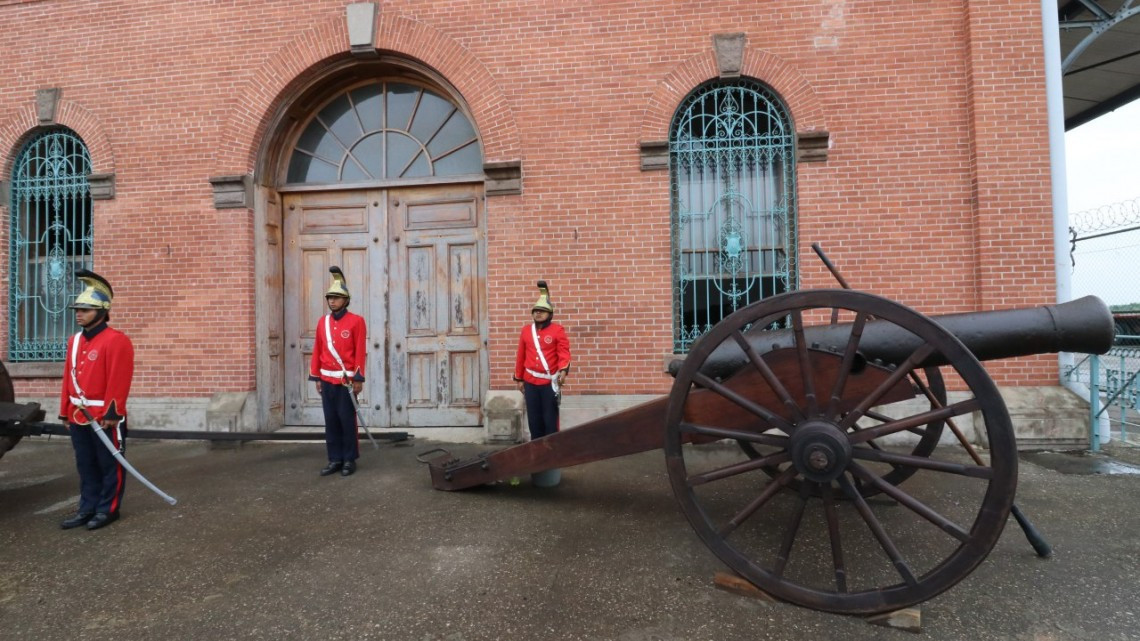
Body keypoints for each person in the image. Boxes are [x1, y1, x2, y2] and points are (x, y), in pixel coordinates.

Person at [58, 269, 135, 531]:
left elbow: (119, 379)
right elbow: (68, 379)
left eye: (86, 309)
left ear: (102, 311)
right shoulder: (74, 341)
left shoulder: (117, 341)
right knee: (86, 464)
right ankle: (87, 507)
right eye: (77, 309)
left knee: (108, 463)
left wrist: (113, 414)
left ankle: (108, 509)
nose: (79, 313)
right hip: (78, 414)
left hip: (104, 417)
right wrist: (64, 412)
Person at [309, 267, 367, 477]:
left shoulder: (356, 321)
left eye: (337, 298)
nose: (332, 301)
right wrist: (316, 376)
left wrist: (358, 377)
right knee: (331, 421)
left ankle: (349, 459)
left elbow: (360, 350)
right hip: (326, 380)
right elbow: (318, 349)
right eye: (330, 298)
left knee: (346, 421)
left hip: (346, 382)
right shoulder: (322, 323)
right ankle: (334, 459)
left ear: (346, 300)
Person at [513, 281, 571, 440]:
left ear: (550, 313)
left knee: (550, 421)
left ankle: (551, 452)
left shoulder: (557, 330)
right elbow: (521, 356)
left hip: (548, 383)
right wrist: (519, 378)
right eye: (536, 311)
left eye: (542, 311)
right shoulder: (526, 331)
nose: (538, 313)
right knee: (534, 420)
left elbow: (563, 353)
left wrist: (563, 370)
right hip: (530, 382)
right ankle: (536, 452)